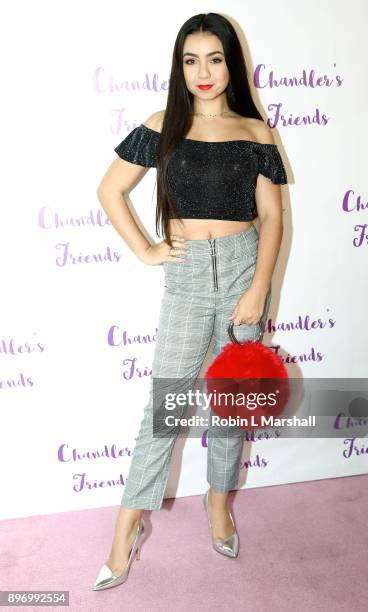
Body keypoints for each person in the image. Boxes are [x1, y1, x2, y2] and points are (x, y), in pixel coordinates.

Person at [93, 12, 288, 591]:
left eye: (215, 58)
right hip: (184, 275)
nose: (203, 72)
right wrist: (147, 250)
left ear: (232, 63)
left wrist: (257, 288)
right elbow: (110, 190)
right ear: (179, 67)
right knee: (167, 406)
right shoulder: (162, 125)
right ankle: (126, 528)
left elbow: (275, 216)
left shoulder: (256, 132)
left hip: (243, 270)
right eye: (190, 59)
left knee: (233, 401)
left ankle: (219, 504)